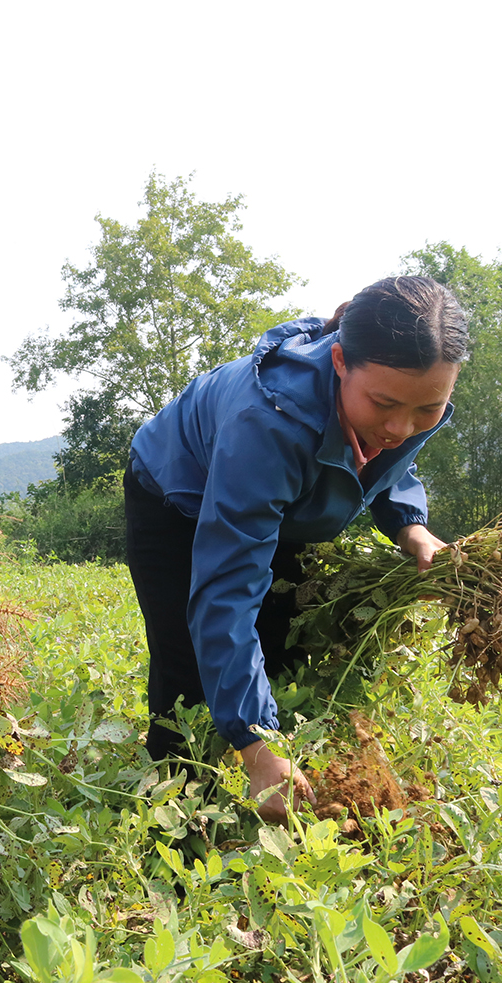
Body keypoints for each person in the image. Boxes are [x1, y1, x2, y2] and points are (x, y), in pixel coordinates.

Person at [124, 275, 467, 821]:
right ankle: (178, 827)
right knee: (187, 664)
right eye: (382, 404)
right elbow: (227, 593)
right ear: (338, 364)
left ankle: (283, 786)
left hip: (281, 503)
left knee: (284, 637)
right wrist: (258, 745)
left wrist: (410, 525)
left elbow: (394, 458)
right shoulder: (268, 421)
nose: (401, 427)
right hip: (176, 496)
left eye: (427, 409)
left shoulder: (403, 399)